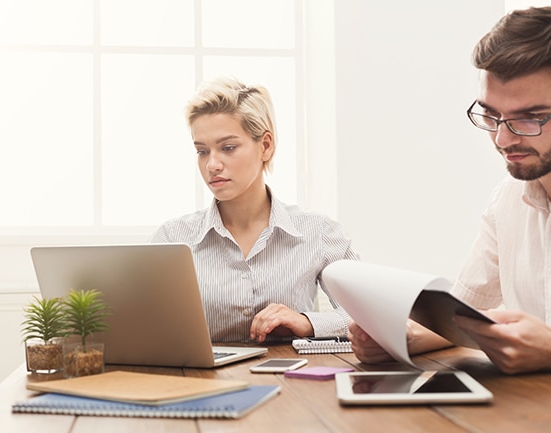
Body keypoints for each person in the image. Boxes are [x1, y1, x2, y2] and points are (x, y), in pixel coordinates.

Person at [349, 6, 551, 374]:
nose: (502, 138)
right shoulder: (508, 200)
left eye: (529, 118)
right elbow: (468, 312)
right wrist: (409, 336)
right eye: (491, 115)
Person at [150, 76, 359, 343]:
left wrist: (307, 322)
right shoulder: (174, 237)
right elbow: (140, 321)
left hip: (294, 381)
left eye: (228, 148)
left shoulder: (319, 232)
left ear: (266, 146)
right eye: (202, 151)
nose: (212, 165)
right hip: (203, 383)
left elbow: (369, 315)